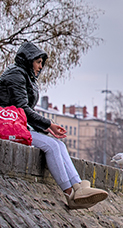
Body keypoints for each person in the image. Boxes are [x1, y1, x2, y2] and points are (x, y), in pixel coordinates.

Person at [0, 41, 108, 209]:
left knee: (58, 144)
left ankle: (78, 186)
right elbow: (22, 109)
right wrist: (49, 124)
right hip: (7, 128)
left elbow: (23, 112)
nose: (40, 67)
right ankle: (70, 194)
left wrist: (46, 128)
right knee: (51, 146)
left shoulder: (23, 76)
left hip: (15, 126)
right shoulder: (16, 75)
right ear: (28, 60)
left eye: (41, 63)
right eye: (38, 62)